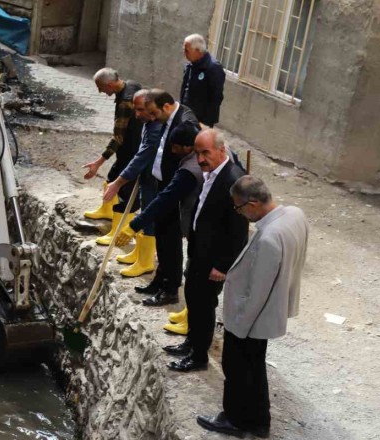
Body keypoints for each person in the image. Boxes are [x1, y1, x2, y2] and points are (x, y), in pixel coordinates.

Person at [197, 176, 309, 438]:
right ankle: (259, 420)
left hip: (252, 318)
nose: (240, 214)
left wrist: (238, 326)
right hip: (270, 310)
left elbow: (258, 292)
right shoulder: (295, 215)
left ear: (254, 203)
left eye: (239, 208)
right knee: (255, 369)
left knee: (237, 369)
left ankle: (236, 420)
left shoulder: (269, 238)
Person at [168, 129, 248, 372]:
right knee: (193, 297)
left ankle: (199, 356)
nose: (201, 159)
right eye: (197, 153)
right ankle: (192, 343)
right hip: (199, 251)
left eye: (206, 153)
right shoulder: (213, 173)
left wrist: (223, 265)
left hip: (213, 258)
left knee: (204, 305)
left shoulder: (233, 179)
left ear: (222, 150)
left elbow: (238, 231)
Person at [115, 124, 202, 333]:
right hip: (185, 216)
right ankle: (174, 295)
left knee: (195, 272)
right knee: (170, 249)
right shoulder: (189, 159)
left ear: (189, 147)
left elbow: (166, 198)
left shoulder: (190, 170)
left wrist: (135, 225)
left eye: (176, 147)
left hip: (195, 223)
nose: (172, 151)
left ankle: (192, 318)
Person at [134, 89, 199, 307]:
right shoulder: (168, 118)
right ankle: (160, 280)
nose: (152, 119)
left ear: (167, 106)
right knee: (161, 238)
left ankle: (170, 289)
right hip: (163, 182)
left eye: (154, 113)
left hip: (175, 190)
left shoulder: (186, 122)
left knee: (170, 241)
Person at [101, 89, 163, 277]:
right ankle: (139, 253)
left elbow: (143, 155)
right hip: (146, 174)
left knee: (149, 215)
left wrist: (118, 182)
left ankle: (146, 261)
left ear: (152, 107)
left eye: (140, 110)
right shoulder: (148, 122)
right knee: (144, 208)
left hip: (155, 177)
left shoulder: (158, 127)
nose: (136, 114)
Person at [82, 68, 143, 247]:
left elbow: (118, 138)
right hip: (127, 149)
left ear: (110, 84)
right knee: (112, 177)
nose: (101, 92)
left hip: (133, 150)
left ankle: (118, 233)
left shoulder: (125, 103)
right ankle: (106, 210)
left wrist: (98, 162)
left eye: (101, 88)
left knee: (125, 191)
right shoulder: (132, 84)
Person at [180, 34, 226, 128]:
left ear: (197, 51)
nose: (184, 54)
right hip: (186, 114)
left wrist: (205, 122)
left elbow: (216, 97)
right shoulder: (191, 65)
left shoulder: (213, 68)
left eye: (187, 51)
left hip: (201, 120)